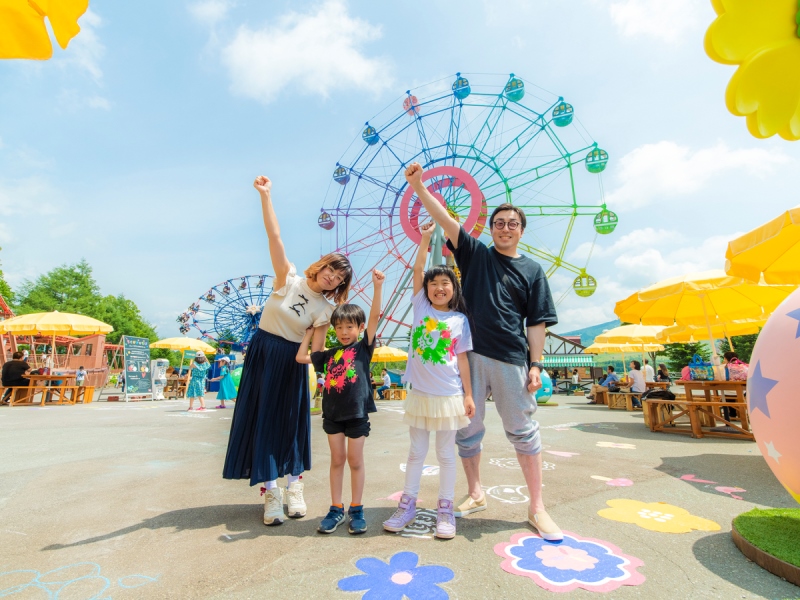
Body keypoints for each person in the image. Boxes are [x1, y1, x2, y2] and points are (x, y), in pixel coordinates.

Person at [404, 162, 562, 541]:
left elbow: (536, 322)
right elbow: (443, 217)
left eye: (512, 223)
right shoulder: (475, 254)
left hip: (511, 357)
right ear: (490, 228)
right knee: (466, 431)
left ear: (521, 230)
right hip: (469, 355)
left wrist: (536, 363)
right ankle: (475, 493)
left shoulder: (532, 271)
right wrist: (420, 187)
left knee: (523, 432)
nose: (505, 228)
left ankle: (536, 507)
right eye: (499, 222)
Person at [223, 174, 353, 527]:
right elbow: (274, 236)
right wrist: (265, 196)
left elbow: (318, 349)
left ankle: (295, 484)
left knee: (292, 424)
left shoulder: (326, 311)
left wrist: (329, 378)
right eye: (331, 270)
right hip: (264, 353)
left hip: (293, 362)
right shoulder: (288, 279)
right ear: (321, 265)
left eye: (339, 278)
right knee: (263, 421)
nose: (333, 278)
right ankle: (271, 493)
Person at [382, 222, 475, 540]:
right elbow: (418, 268)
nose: (438, 288)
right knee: (415, 452)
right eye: (433, 284)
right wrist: (423, 239)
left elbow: (462, 358)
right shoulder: (420, 308)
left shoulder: (459, 320)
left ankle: (445, 510)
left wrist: (469, 395)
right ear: (426, 289)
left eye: (445, 284)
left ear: (453, 289)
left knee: (447, 454)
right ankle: (407, 505)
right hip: (420, 393)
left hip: (449, 394)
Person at [295, 269, 383, 535]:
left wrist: (377, 288)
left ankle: (356, 508)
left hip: (357, 415)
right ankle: (336, 508)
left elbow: (376, 317)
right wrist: (310, 334)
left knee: (355, 461)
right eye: (340, 327)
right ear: (334, 329)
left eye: (350, 327)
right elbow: (302, 357)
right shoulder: (329, 354)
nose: (344, 332)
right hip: (332, 415)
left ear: (360, 328)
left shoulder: (363, 349)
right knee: (337, 461)